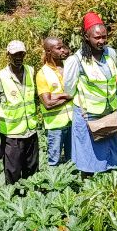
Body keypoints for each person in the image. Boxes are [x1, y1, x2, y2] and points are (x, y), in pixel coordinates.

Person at [64, 12, 117, 174]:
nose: (101, 41)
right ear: (86, 37)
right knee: (89, 160)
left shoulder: (110, 54)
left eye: (104, 37)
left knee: (112, 158)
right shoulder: (75, 61)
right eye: (97, 38)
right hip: (87, 117)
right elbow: (69, 90)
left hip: (109, 114)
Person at [0, 41, 39, 184]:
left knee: (32, 168)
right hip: (12, 133)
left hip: (31, 130)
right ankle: (15, 199)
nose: (19, 57)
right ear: (8, 55)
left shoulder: (31, 71)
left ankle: (32, 197)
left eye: (21, 54)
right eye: (15, 54)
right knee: (13, 170)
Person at [36, 37, 74, 166]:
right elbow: (47, 104)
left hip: (73, 121)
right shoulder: (42, 74)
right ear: (48, 52)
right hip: (55, 126)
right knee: (54, 161)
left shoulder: (69, 67)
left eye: (63, 47)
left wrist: (58, 96)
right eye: (59, 48)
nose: (63, 50)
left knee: (73, 159)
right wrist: (67, 96)